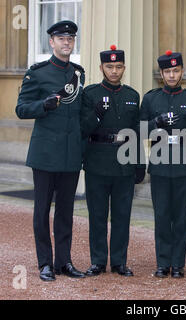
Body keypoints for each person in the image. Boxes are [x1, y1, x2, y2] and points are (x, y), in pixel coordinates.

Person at [15, 20, 86, 281]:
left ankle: (63, 261)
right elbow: (21, 109)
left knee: (66, 212)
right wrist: (43, 105)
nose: (66, 43)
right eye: (61, 39)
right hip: (45, 154)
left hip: (70, 154)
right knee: (42, 210)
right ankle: (45, 262)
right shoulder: (37, 73)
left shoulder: (78, 73)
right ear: (51, 42)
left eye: (70, 39)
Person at [81, 45, 145, 277]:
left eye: (118, 67)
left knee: (122, 216)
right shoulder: (90, 94)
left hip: (125, 163)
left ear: (124, 68)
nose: (114, 71)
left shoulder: (132, 95)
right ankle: (98, 261)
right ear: (101, 68)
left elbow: (136, 132)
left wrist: (140, 163)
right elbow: (83, 129)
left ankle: (119, 262)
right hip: (97, 161)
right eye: (110, 67)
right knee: (97, 215)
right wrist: (96, 113)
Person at [140, 50, 186, 278]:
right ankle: (162, 263)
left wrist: (185, 142)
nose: (172, 75)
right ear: (162, 73)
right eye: (168, 71)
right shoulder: (151, 99)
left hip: (184, 167)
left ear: (182, 71)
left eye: (176, 70)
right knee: (162, 216)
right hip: (159, 166)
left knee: (182, 217)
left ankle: (178, 264)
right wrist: (156, 122)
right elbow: (139, 130)